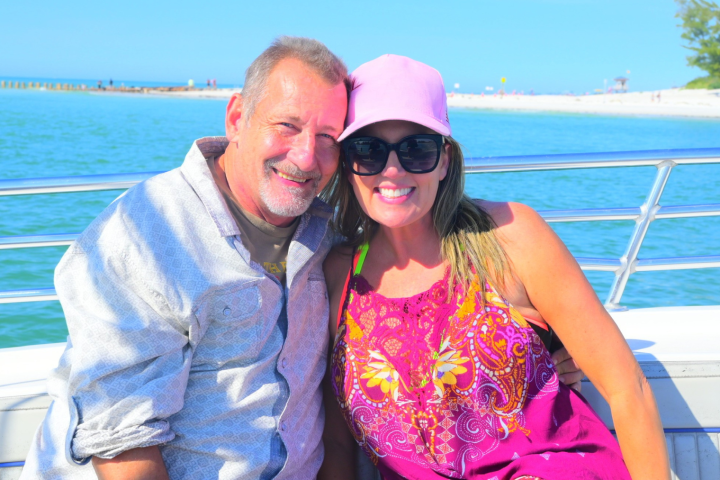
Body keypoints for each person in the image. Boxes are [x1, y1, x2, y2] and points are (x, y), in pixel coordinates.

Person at [319, 55, 669, 480]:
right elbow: (336, 442)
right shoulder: (337, 276)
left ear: (445, 160)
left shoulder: (508, 237)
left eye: (416, 149)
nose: (392, 169)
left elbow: (626, 386)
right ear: (347, 163)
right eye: (369, 150)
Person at [20, 36, 349, 480]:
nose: (307, 155)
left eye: (328, 136)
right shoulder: (146, 235)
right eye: (287, 126)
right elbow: (123, 446)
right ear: (237, 117)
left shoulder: (325, 233)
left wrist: (475, 217)